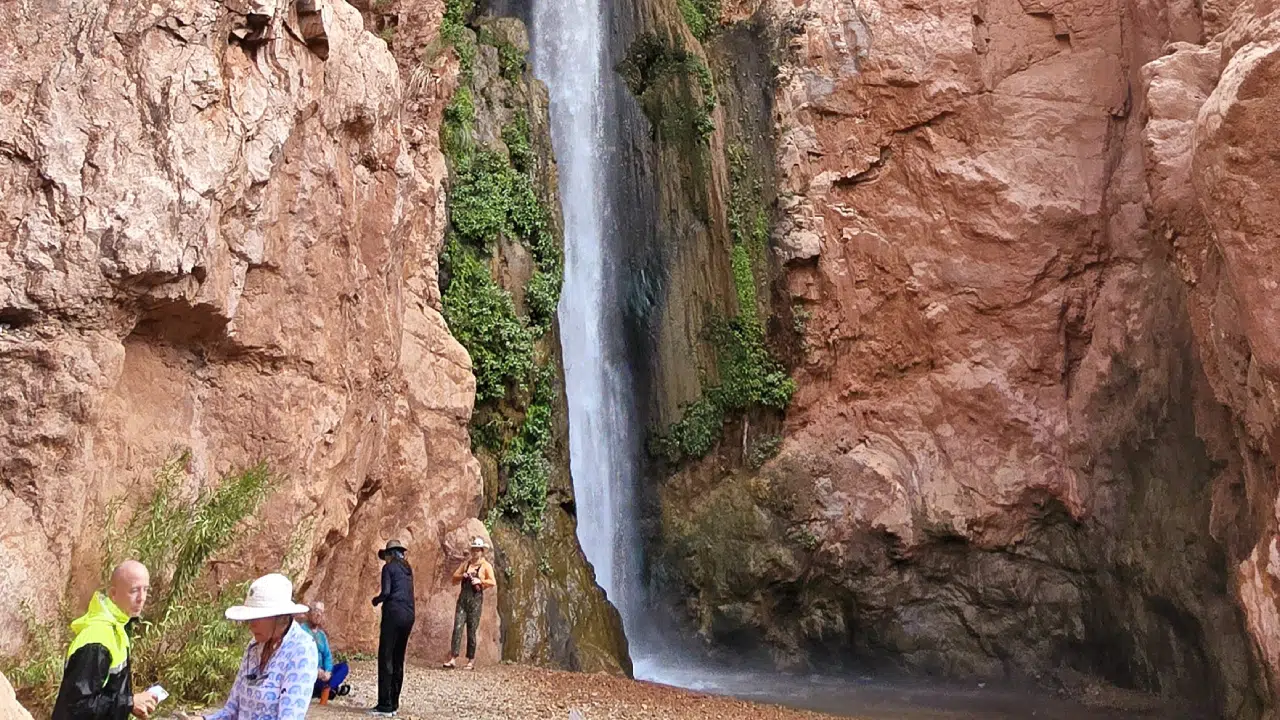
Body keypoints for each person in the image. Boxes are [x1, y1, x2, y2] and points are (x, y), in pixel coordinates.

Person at [187, 573, 317, 720]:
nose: (251, 625)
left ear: (279, 616)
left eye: (257, 618)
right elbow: (232, 710)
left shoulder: (301, 650)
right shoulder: (254, 647)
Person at [53, 560, 157, 720]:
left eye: (145, 590)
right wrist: (129, 703)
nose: (141, 598)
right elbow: (77, 706)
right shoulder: (97, 639)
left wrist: (132, 704)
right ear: (113, 594)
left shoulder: (118, 627)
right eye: (134, 590)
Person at [370, 539, 415, 716]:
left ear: (389, 555)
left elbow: (387, 592)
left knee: (386, 656)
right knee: (398, 658)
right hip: (409, 616)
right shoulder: (407, 570)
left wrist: (376, 600)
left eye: (386, 556)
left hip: (393, 614)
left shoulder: (388, 568)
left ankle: (384, 705)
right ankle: (395, 702)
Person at [442, 537, 495, 671]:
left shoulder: (485, 566)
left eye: (478, 550)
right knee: (457, 627)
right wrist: (463, 576)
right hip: (463, 599)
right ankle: (453, 657)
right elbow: (455, 577)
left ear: (482, 552)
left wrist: (480, 581)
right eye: (474, 550)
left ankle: (471, 660)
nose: (475, 552)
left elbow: (492, 582)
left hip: (475, 600)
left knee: (472, 630)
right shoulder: (466, 564)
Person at [296, 602, 349, 702]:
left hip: (323, 673)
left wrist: (328, 671)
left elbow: (327, 656)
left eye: (321, 612)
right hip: (309, 672)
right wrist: (315, 670)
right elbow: (300, 654)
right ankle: (331, 688)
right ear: (309, 612)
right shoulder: (301, 630)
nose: (318, 614)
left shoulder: (322, 635)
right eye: (316, 610)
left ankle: (328, 688)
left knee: (343, 667)